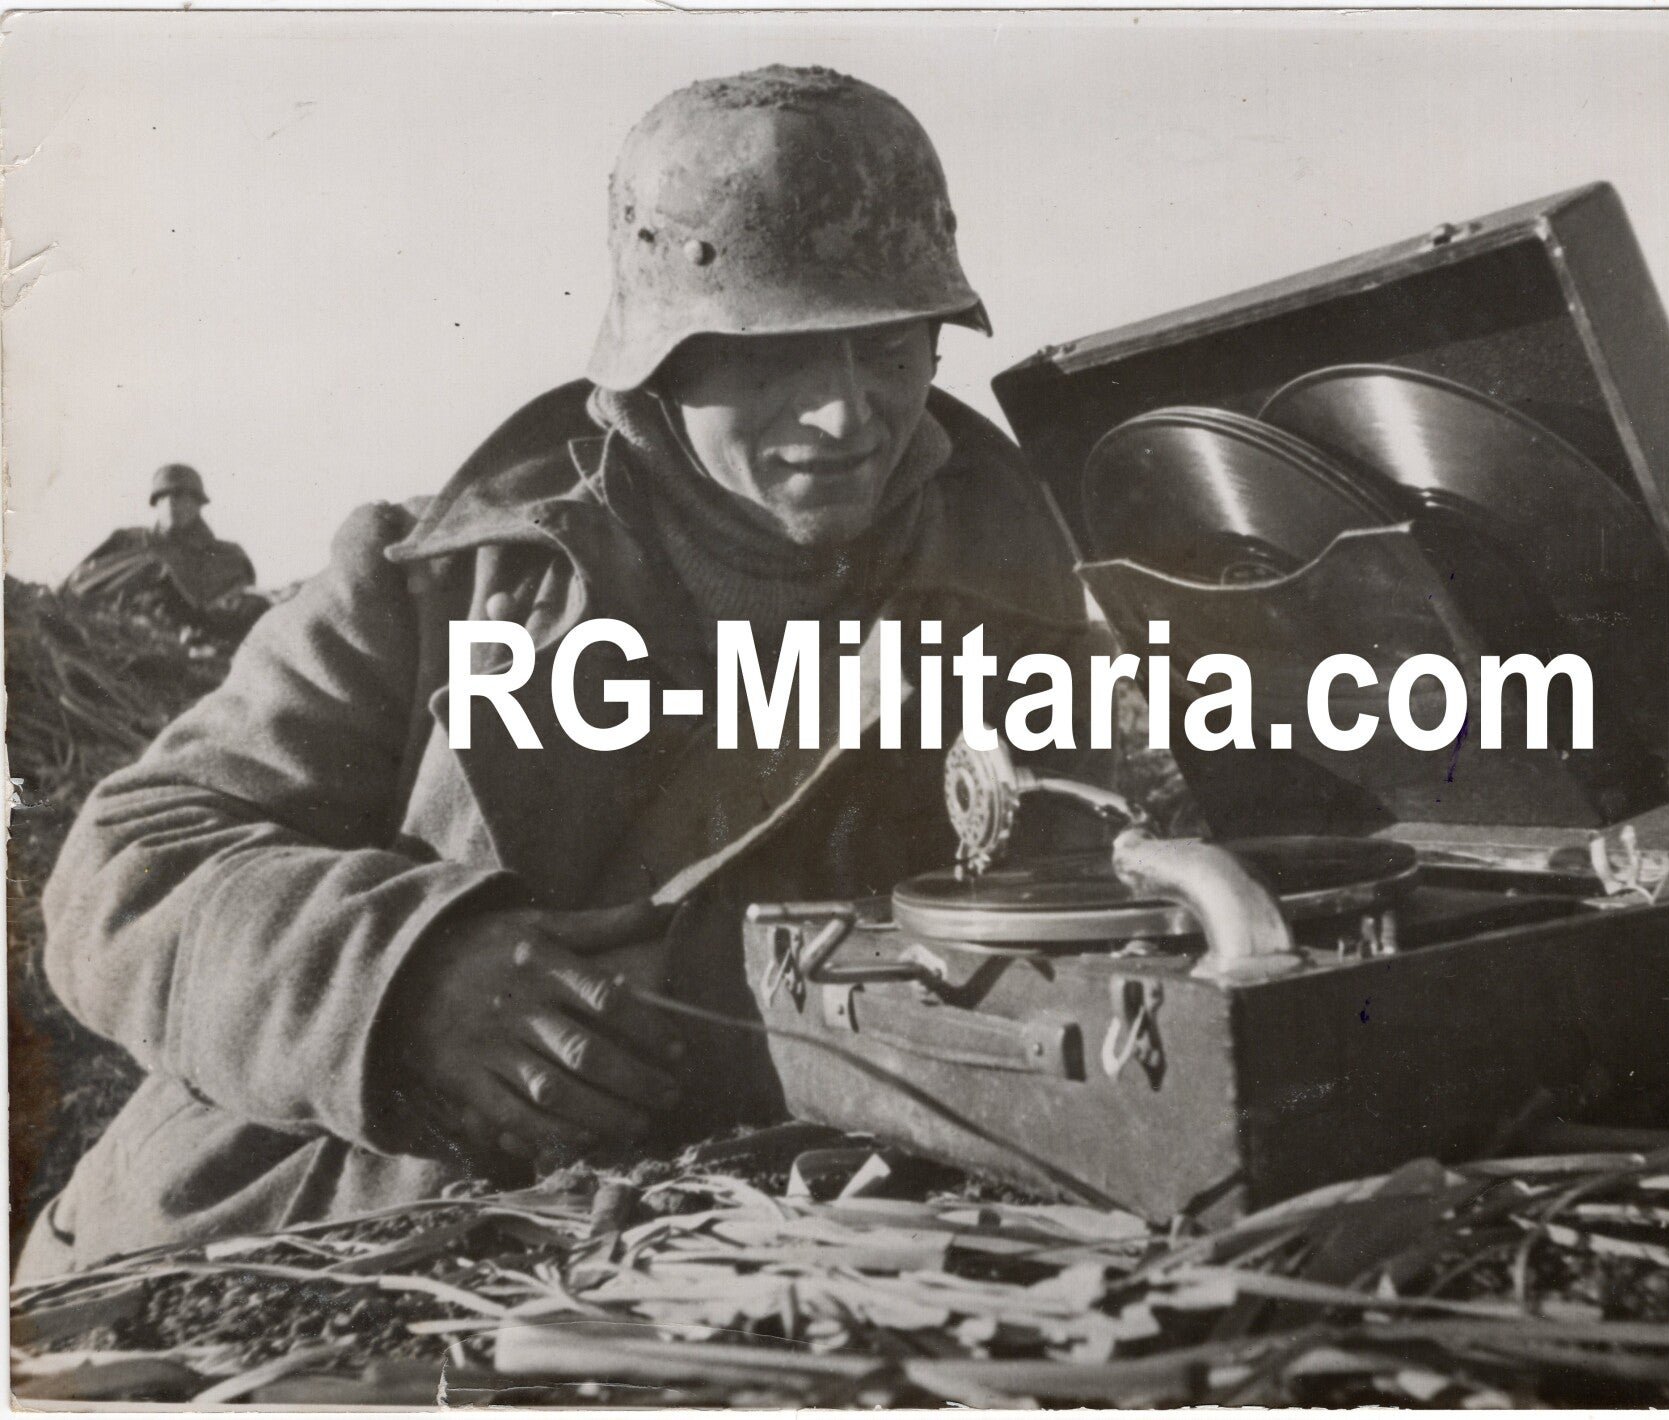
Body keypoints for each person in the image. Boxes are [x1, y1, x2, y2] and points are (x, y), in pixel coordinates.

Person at [21, 65, 1092, 1277]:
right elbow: (126, 860)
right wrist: (405, 980)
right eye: (778, 352)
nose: (847, 414)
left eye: (888, 347)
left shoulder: (1008, 600)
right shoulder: (437, 575)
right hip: (294, 1241)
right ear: (663, 356)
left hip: (729, 1251)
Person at [62, 463, 260, 634]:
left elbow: (233, 609)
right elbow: (77, 583)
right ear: (155, 504)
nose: (171, 503)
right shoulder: (129, 541)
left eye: (180, 495)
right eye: (163, 497)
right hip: (116, 632)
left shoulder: (227, 556)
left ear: (198, 503)